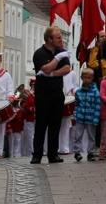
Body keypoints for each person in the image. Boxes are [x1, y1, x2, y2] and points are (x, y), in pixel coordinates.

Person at [30, 27, 71, 164]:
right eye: (58, 37)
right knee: (41, 125)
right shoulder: (39, 53)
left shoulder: (61, 52)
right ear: (49, 39)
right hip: (43, 95)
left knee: (55, 125)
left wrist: (53, 73)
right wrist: (57, 59)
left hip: (57, 93)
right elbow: (45, 69)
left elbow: (66, 69)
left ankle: (53, 154)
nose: (61, 39)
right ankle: (37, 155)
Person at [73, 67, 101, 162]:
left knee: (91, 136)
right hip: (80, 117)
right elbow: (76, 104)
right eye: (85, 77)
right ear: (81, 78)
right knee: (78, 135)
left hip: (91, 118)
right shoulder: (78, 92)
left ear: (92, 78)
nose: (86, 79)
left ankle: (91, 152)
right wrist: (76, 114)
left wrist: (96, 118)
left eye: (89, 77)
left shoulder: (95, 92)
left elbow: (97, 106)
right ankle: (77, 152)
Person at [59, 69, 78, 154]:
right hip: (57, 98)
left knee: (66, 125)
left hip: (68, 100)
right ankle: (56, 147)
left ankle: (64, 148)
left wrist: (74, 92)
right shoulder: (55, 71)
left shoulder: (71, 73)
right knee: (56, 125)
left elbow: (75, 86)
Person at [21, 78, 36, 156]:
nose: (34, 86)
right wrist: (32, 109)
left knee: (35, 136)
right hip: (29, 118)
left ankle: (35, 150)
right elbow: (26, 106)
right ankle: (30, 152)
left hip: (35, 118)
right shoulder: (29, 95)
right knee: (29, 136)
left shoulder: (38, 95)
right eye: (33, 85)